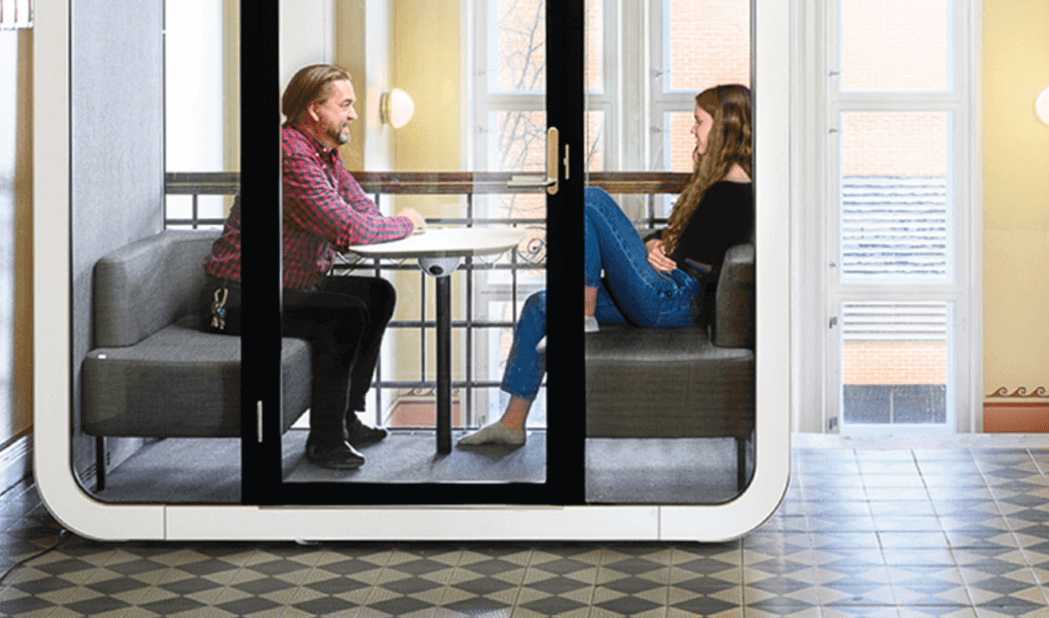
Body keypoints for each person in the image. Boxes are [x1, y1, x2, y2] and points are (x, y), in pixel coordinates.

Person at [459, 83, 754, 447]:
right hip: (665, 289)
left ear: (724, 127)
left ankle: (583, 314)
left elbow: (693, 261)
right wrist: (651, 244)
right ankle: (512, 423)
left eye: (699, 122)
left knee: (590, 199)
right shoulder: (717, 186)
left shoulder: (732, 191)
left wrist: (658, 253)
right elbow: (683, 239)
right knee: (539, 306)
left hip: (674, 299)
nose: (693, 130)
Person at [201, 64, 426, 470]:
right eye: (345, 105)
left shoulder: (323, 156)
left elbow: (362, 212)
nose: (353, 114)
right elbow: (346, 225)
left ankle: (346, 416)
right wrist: (407, 222)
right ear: (313, 111)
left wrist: (384, 224)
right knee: (343, 316)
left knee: (376, 294)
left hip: (282, 288)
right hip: (234, 299)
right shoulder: (289, 154)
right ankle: (325, 441)